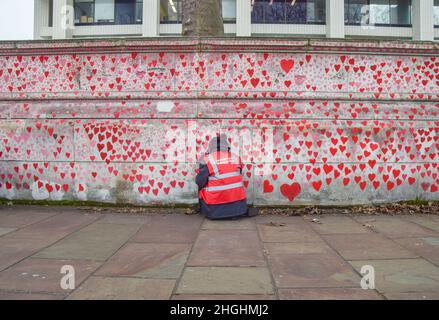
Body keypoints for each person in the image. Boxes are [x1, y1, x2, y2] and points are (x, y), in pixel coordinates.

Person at [195, 134, 257, 220]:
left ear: (211, 147)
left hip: (214, 208)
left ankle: (206, 210)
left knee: (201, 187)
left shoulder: (207, 159)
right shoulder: (236, 157)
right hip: (239, 207)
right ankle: (234, 212)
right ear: (227, 146)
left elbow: (200, 181)